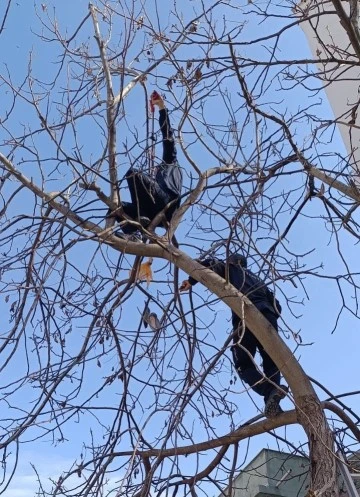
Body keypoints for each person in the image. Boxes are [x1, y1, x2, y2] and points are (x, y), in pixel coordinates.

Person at [179, 254, 288, 418]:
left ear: (232, 261)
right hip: (268, 316)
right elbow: (277, 306)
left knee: (242, 364)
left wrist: (191, 280)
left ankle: (269, 390)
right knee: (271, 359)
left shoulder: (232, 269)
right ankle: (271, 399)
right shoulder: (260, 281)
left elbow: (210, 264)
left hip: (246, 317)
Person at [109, 91, 183, 237]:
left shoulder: (170, 162)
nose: (155, 170)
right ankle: (132, 234)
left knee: (133, 174)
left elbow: (167, 136)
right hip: (153, 210)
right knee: (116, 206)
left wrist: (162, 107)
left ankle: (140, 219)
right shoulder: (159, 179)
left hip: (167, 203)